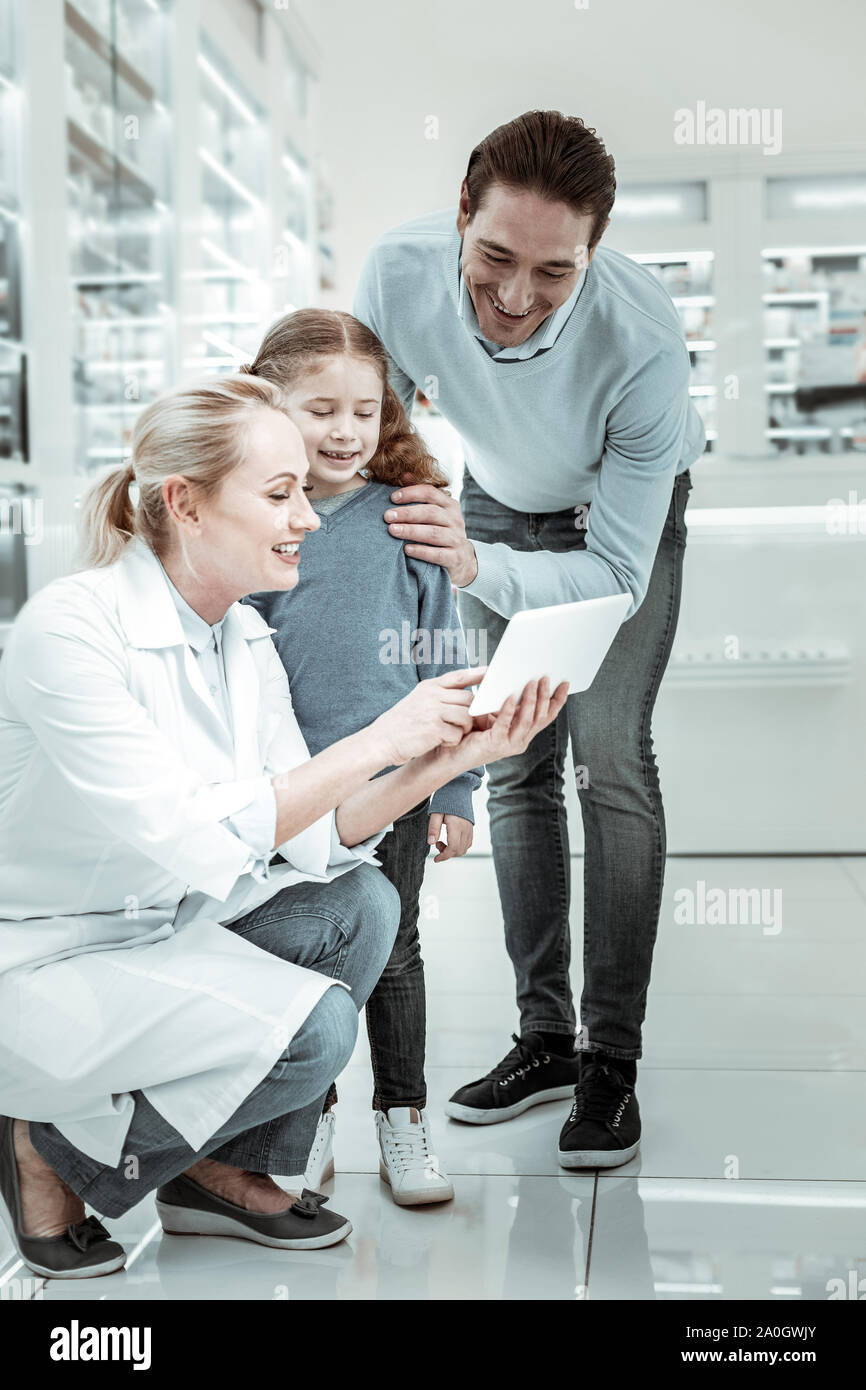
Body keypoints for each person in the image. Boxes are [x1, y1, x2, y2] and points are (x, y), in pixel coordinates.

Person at [0, 373, 568, 1278]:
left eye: (304, 489)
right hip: (49, 955)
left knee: (364, 903)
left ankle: (211, 1173)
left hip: (166, 925)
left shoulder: (240, 638)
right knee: (318, 1034)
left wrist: (457, 757)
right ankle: (48, 1152)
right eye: (280, 493)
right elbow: (189, 833)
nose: (309, 516)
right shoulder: (71, 632)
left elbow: (309, 834)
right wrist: (382, 735)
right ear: (184, 504)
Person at [352, 109, 705, 1168]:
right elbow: (365, 429)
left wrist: (469, 566)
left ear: (591, 257)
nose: (512, 297)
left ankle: (610, 1062)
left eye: (552, 272)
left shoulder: (640, 344)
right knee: (511, 766)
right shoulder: (398, 271)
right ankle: (544, 1038)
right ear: (458, 215)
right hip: (495, 502)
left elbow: (612, 574)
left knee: (609, 762)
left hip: (613, 520)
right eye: (493, 258)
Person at [240, 308, 484, 1207]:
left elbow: (443, 658)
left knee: (396, 948)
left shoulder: (406, 520)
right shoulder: (258, 521)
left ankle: (403, 1119)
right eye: (321, 409)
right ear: (270, 407)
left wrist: (457, 782)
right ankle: (310, 1121)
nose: (346, 432)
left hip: (400, 784)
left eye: (366, 411)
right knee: (301, 950)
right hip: (290, 791)